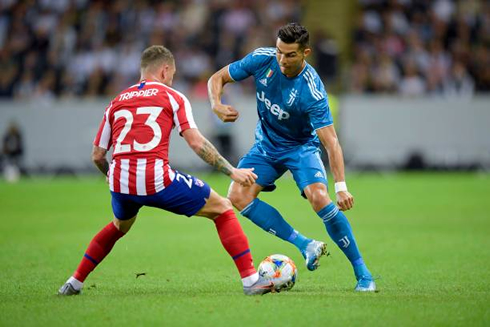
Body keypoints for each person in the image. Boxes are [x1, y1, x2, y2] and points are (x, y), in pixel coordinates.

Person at [58, 45, 276, 296]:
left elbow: (97, 155)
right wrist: (232, 171)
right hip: (154, 178)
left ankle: (74, 282)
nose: (172, 79)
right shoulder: (173, 97)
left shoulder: (116, 102)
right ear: (164, 70)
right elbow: (196, 142)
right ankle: (251, 281)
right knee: (223, 209)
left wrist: (112, 176)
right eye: (172, 74)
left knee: (119, 226)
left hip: (119, 181)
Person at [207, 23, 376, 291]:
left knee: (320, 198)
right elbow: (217, 78)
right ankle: (305, 244)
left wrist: (342, 187)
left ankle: (363, 275)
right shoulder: (263, 59)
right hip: (266, 146)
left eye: (290, 55)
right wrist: (216, 104)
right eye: (279, 52)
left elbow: (331, 142)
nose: (282, 60)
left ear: (305, 53)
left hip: (300, 148)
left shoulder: (312, 90)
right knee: (237, 195)